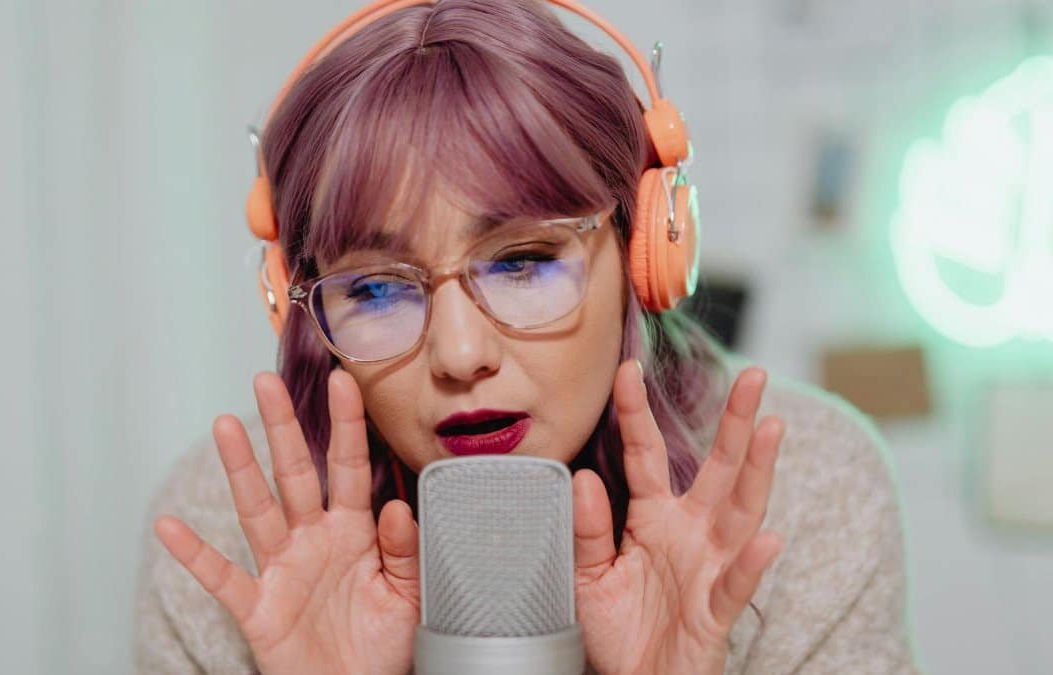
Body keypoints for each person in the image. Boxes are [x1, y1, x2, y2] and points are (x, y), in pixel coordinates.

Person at [132, 1, 922, 673]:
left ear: (647, 252)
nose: (459, 354)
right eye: (375, 287)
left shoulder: (806, 489)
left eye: (522, 260)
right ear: (300, 309)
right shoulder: (227, 536)